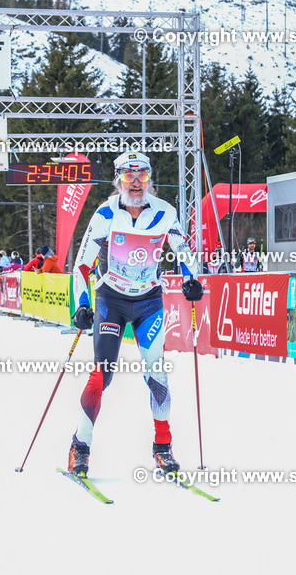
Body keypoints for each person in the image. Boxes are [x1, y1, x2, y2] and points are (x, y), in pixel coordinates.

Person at [66, 151, 203, 477]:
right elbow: (82, 267)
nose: (136, 181)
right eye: (129, 175)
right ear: (118, 180)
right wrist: (82, 304)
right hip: (111, 300)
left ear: (150, 177)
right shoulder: (104, 215)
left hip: (148, 303)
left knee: (158, 375)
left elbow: (183, 253)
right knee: (102, 374)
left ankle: (162, 447)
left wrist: (192, 279)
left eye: (142, 174)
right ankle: (80, 446)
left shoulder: (165, 213)